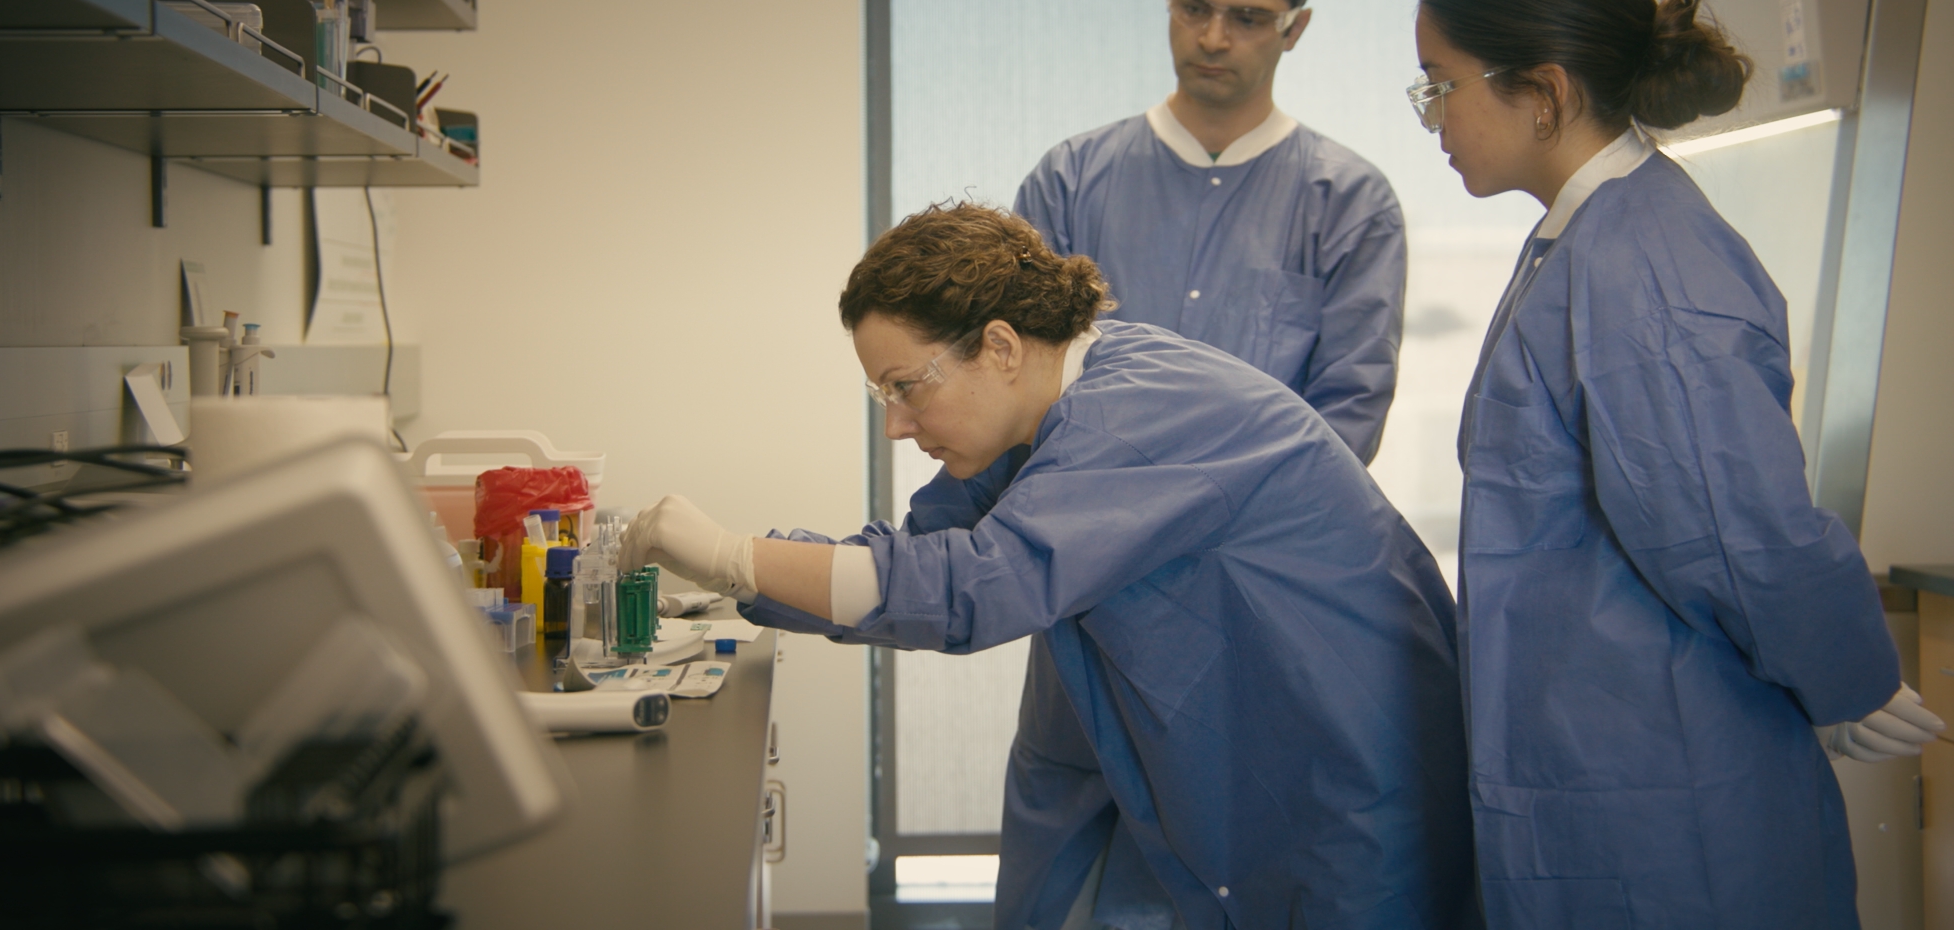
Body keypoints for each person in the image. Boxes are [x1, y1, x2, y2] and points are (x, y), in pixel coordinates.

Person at [619, 204, 1477, 929]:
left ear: (999, 346)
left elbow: (968, 591)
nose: (896, 426)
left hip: (1344, 781)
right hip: (1234, 769)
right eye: (882, 396)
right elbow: (907, 567)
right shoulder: (1036, 424)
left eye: (906, 387)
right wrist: (732, 581)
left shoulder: (1139, 412)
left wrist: (733, 554)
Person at [1413, 0, 1944, 929]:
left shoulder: (1643, 263)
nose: (1430, 117)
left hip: (1664, 800)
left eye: (1440, 85)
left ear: (1544, 90)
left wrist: (1848, 677)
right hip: (1598, 764)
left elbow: (1739, 530)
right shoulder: (1581, 243)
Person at [1014, 0, 1405, 463]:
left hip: (1267, 518)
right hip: (1080, 508)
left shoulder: (1349, 203)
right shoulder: (1068, 180)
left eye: (1247, 18)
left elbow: (1348, 415)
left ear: (1295, 27)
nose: (1213, 38)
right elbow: (1016, 382)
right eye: (1193, 7)